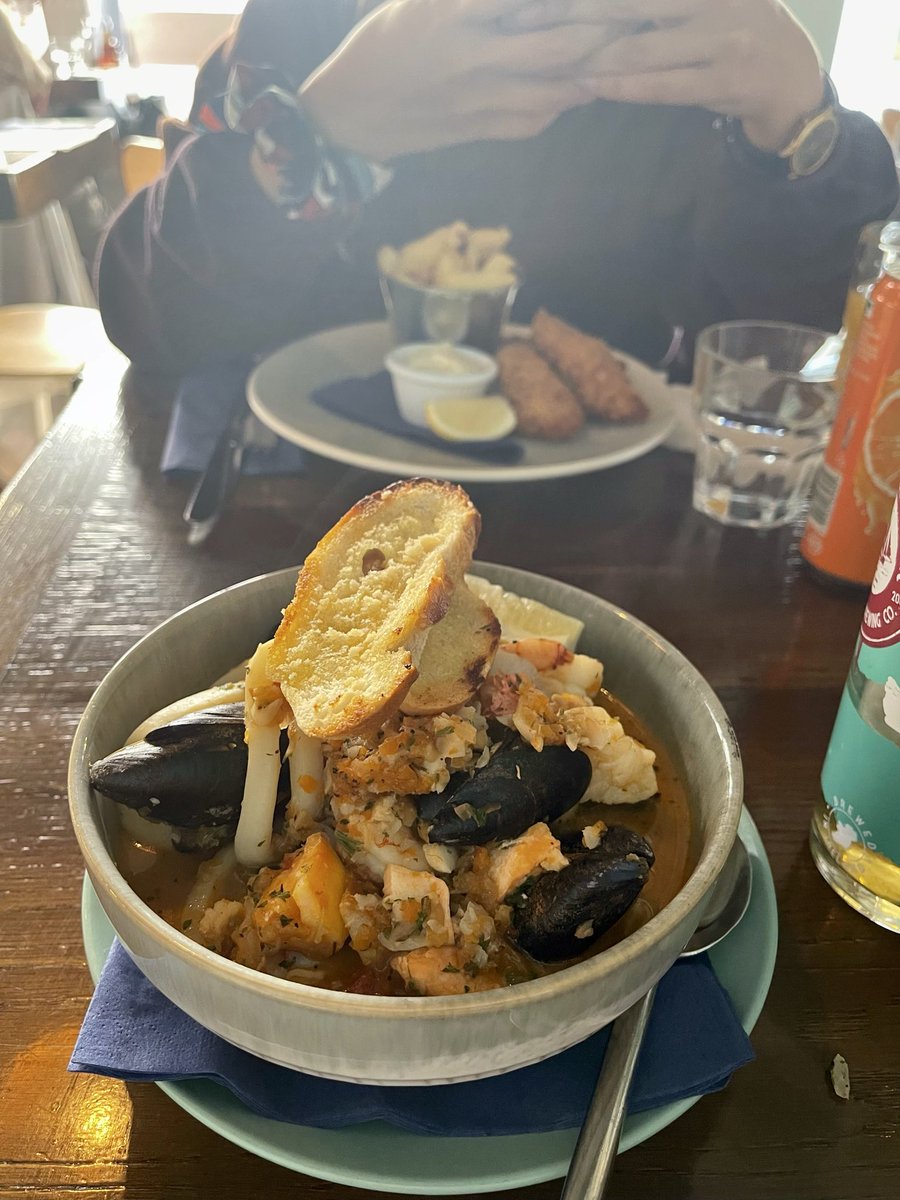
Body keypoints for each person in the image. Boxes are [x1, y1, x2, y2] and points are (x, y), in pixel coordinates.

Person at [97, 0, 899, 377]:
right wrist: (318, 129)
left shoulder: (683, 51)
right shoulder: (305, 25)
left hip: (618, 538)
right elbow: (153, 316)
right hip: (297, 519)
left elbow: (796, 345)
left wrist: (800, 120)